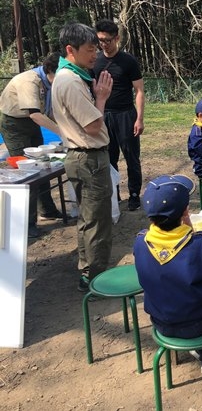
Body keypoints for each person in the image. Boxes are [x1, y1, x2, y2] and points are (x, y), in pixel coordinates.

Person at [134, 174, 202, 373]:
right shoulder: (199, 243)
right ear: (185, 212)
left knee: (179, 298)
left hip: (161, 322)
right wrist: (193, 232)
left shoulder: (140, 242)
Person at [51, 23, 113, 292]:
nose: (95, 56)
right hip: (88, 158)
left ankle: (87, 269)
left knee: (88, 219)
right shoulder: (71, 81)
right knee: (97, 221)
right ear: (70, 50)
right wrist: (101, 98)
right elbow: (93, 126)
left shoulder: (69, 76)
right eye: (89, 50)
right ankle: (96, 279)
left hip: (83, 156)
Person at [0, 53, 63, 237]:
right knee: (27, 171)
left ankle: (48, 210)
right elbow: (35, 114)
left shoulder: (50, 84)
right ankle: (27, 223)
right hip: (14, 124)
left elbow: (49, 112)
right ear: (50, 70)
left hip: (32, 122)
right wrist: (62, 132)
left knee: (43, 165)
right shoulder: (29, 81)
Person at [93, 19, 145, 211]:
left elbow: (139, 91)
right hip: (104, 115)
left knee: (132, 157)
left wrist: (139, 118)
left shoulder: (128, 61)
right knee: (109, 157)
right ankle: (114, 194)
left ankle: (134, 194)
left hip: (125, 115)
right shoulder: (95, 61)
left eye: (107, 40)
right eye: (100, 40)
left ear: (116, 38)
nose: (104, 44)